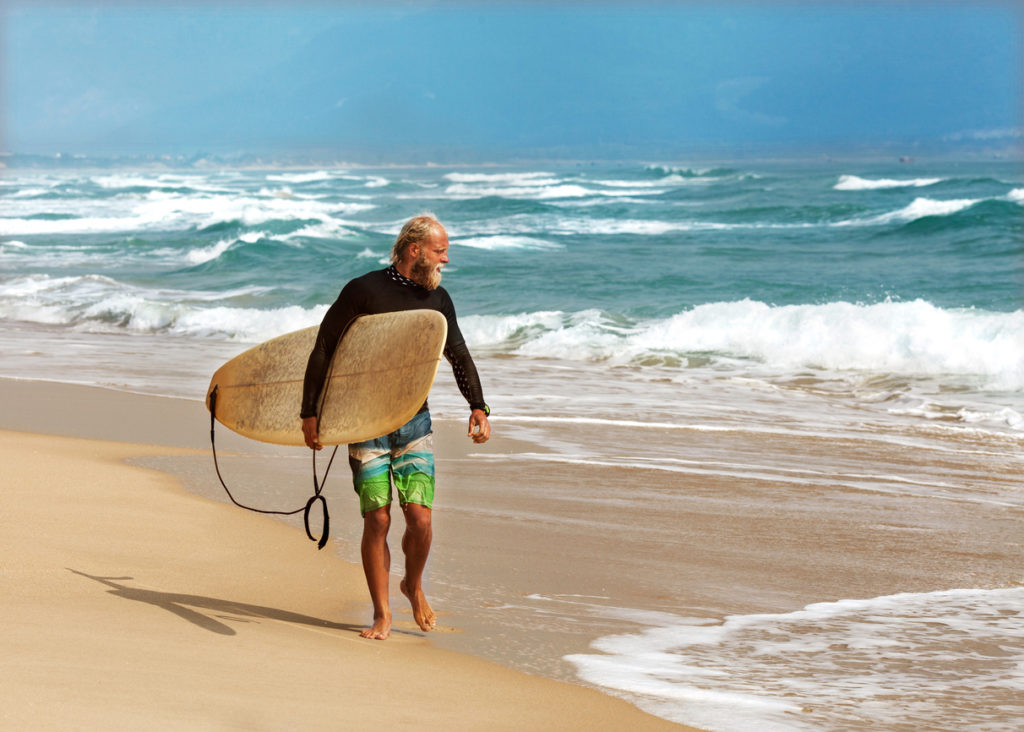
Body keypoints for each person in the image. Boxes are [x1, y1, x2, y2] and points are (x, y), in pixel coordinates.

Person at [300, 214, 491, 640]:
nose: (446, 258)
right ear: (414, 251)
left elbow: (457, 354)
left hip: (413, 420)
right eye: (441, 250)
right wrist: (309, 412)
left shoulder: (438, 299)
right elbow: (324, 349)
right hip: (365, 421)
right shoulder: (363, 291)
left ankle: (413, 585)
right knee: (379, 520)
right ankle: (382, 614)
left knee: (420, 519)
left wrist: (478, 406)